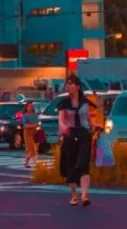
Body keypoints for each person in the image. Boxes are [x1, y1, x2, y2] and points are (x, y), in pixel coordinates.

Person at [56, 75, 97, 206]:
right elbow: (61, 120)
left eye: (71, 84)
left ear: (78, 87)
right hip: (70, 134)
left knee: (84, 163)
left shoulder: (85, 102)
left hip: (84, 134)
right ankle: (74, 195)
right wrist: (64, 129)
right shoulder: (64, 103)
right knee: (70, 165)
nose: (69, 86)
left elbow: (89, 120)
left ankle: (84, 195)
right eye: (67, 84)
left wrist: (96, 126)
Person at [19, 98, 40, 167]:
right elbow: (25, 125)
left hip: (35, 132)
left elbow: (38, 123)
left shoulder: (35, 115)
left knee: (33, 148)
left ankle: (26, 163)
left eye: (32, 106)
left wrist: (36, 126)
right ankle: (36, 163)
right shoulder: (25, 115)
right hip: (28, 133)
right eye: (29, 106)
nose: (31, 107)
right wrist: (33, 125)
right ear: (27, 107)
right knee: (31, 148)